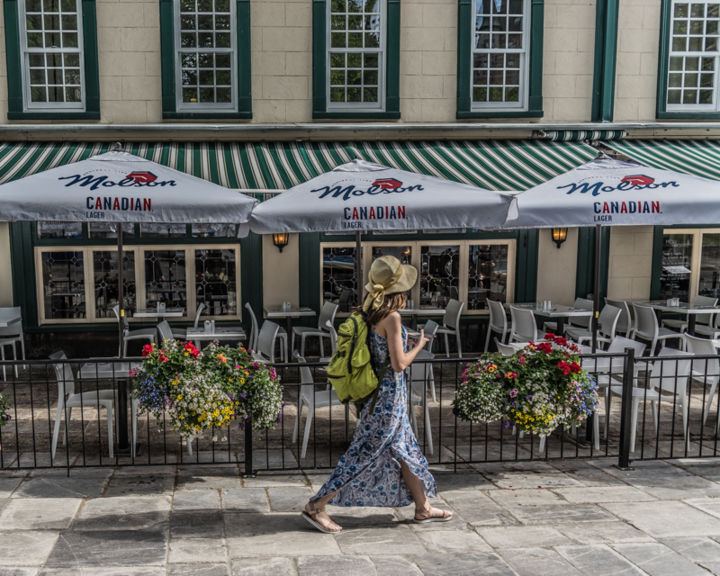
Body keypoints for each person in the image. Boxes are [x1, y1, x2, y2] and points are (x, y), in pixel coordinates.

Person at [302, 255, 453, 534]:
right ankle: (316, 506)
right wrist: (418, 345)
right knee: (363, 454)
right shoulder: (392, 317)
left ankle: (422, 507)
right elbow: (399, 364)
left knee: (406, 451)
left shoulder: (370, 313)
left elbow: (379, 349)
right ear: (399, 290)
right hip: (388, 400)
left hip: (378, 397)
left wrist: (401, 341)